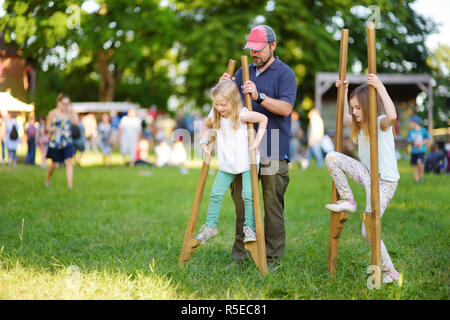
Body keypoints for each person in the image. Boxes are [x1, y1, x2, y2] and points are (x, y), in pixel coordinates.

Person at [219, 25, 297, 269]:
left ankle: (272, 259)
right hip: (243, 150)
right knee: (242, 205)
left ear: (273, 46)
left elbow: (286, 109)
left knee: (272, 207)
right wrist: (225, 88)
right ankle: (241, 257)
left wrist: (259, 96)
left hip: (273, 148)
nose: (254, 53)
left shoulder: (285, 73)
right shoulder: (244, 71)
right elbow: (229, 106)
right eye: (250, 49)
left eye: (258, 49)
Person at [325, 74, 400, 284]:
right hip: (368, 176)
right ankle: (348, 199)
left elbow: (392, 116)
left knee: (368, 232)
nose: (355, 112)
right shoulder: (358, 125)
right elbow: (343, 116)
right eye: (353, 108)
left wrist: (379, 86)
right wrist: (342, 91)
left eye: (358, 108)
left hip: (385, 182)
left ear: (368, 106)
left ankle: (390, 272)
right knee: (331, 157)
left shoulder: (380, 123)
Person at [194, 81, 268, 244]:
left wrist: (257, 142)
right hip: (227, 164)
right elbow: (205, 125)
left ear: (233, 101)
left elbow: (263, 119)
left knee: (248, 195)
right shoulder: (216, 114)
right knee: (215, 194)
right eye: (216, 104)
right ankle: (210, 226)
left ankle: (249, 228)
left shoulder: (242, 114)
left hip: (247, 163)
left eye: (223, 104)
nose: (220, 108)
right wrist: (204, 143)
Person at [45, 93, 79, 189]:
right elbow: (47, 127)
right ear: (58, 102)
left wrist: (72, 111)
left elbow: (76, 123)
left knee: (69, 162)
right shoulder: (52, 113)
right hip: (55, 142)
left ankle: (70, 185)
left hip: (67, 141)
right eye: (64, 104)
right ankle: (48, 178)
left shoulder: (69, 113)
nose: (65, 106)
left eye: (67, 104)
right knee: (54, 164)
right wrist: (53, 129)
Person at [407, 115, 430, 183]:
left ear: (415, 123)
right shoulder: (411, 131)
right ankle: (416, 180)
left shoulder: (423, 130)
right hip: (413, 151)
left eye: (410, 122)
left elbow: (427, 139)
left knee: (420, 163)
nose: (410, 124)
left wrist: (422, 142)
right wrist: (411, 142)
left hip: (421, 150)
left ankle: (422, 177)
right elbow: (409, 140)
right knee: (414, 165)